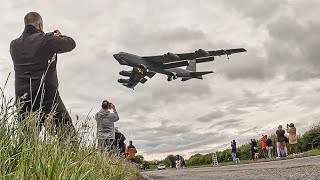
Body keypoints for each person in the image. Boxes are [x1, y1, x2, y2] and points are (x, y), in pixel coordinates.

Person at [10, 12, 76, 136]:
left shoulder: (13, 45)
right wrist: (58, 36)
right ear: (40, 25)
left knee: (26, 141)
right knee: (67, 134)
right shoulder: (47, 39)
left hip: (23, 99)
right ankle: (71, 155)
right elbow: (71, 43)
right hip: (47, 97)